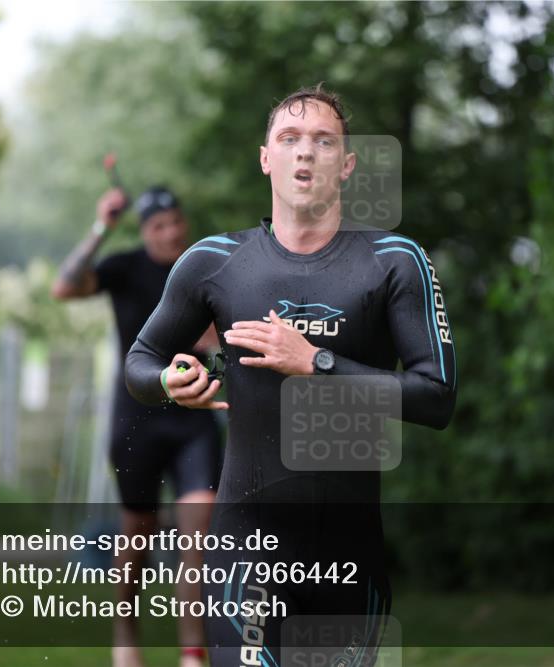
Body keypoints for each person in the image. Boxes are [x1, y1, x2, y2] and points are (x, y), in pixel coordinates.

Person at [124, 84, 457, 666]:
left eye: (324, 141)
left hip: (348, 556)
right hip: (246, 545)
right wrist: (170, 381)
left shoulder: (395, 261)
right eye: (290, 139)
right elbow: (140, 361)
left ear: (347, 165)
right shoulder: (215, 262)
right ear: (265, 158)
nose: (305, 152)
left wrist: (317, 364)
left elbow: (437, 398)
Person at [52, 185, 222, 667]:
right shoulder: (124, 268)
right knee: (137, 539)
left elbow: (222, 332)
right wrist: (101, 226)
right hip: (136, 423)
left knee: (199, 538)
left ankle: (193, 653)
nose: (170, 232)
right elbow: (64, 287)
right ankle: (125, 631)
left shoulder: (203, 269)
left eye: (176, 222)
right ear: (144, 231)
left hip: (194, 420)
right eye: (158, 226)